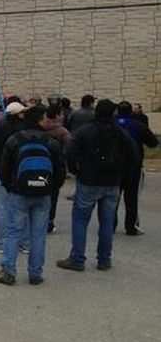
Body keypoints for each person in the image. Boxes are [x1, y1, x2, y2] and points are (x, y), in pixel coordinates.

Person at [57, 99, 136, 272]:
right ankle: (104, 259)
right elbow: (133, 155)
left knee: (80, 220)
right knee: (107, 222)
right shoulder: (121, 133)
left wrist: (75, 169)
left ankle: (77, 258)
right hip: (112, 181)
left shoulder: (85, 131)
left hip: (88, 180)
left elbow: (69, 151)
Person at [0, 106, 65, 286]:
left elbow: (4, 167)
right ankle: (35, 273)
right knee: (38, 234)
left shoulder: (15, 140)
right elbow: (60, 170)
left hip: (19, 191)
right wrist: (52, 187)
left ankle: (8, 270)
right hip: (43, 193)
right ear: (41, 120)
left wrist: (10, 186)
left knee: (14, 231)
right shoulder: (51, 141)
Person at [0, 101, 29, 253]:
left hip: (4, 173)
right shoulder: (26, 129)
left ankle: (2, 242)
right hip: (22, 173)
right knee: (23, 209)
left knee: (3, 208)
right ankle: (24, 243)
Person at [115, 101, 158, 235]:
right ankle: (131, 226)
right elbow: (153, 142)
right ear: (131, 112)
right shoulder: (137, 126)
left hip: (114, 166)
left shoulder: (110, 125)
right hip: (134, 165)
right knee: (132, 197)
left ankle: (109, 224)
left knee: (112, 197)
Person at [40, 104, 71, 233]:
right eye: (62, 113)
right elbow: (69, 149)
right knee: (52, 196)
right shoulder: (62, 132)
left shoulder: (40, 127)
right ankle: (48, 221)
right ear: (57, 115)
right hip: (55, 167)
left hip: (39, 165)